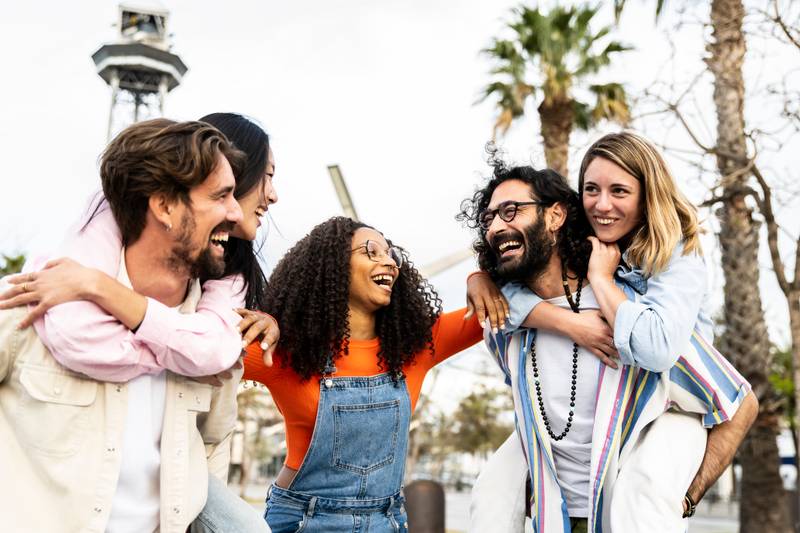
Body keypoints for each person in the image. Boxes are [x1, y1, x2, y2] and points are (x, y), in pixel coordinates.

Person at [0, 116, 275, 533]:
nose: (235, 213)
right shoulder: (28, 305)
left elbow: (213, 443)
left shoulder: (215, 334)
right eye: (221, 195)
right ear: (163, 205)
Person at [458, 156, 757, 533]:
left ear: (555, 216)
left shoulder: (628, 317)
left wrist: (686, 498)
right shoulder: (503, 329)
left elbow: (738, 402)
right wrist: (477, 278)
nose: (497, 226)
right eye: (489, 218)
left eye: (511, 211)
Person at [241, 216, 506, 532]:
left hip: (387, 521)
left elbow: (504, 296)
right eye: (371, 251)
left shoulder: (418, 346)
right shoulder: (287, 350)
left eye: (389, 252)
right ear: (333, 266)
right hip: (303, 520)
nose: (389, 262)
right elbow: (194, 349)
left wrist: (478, 276)